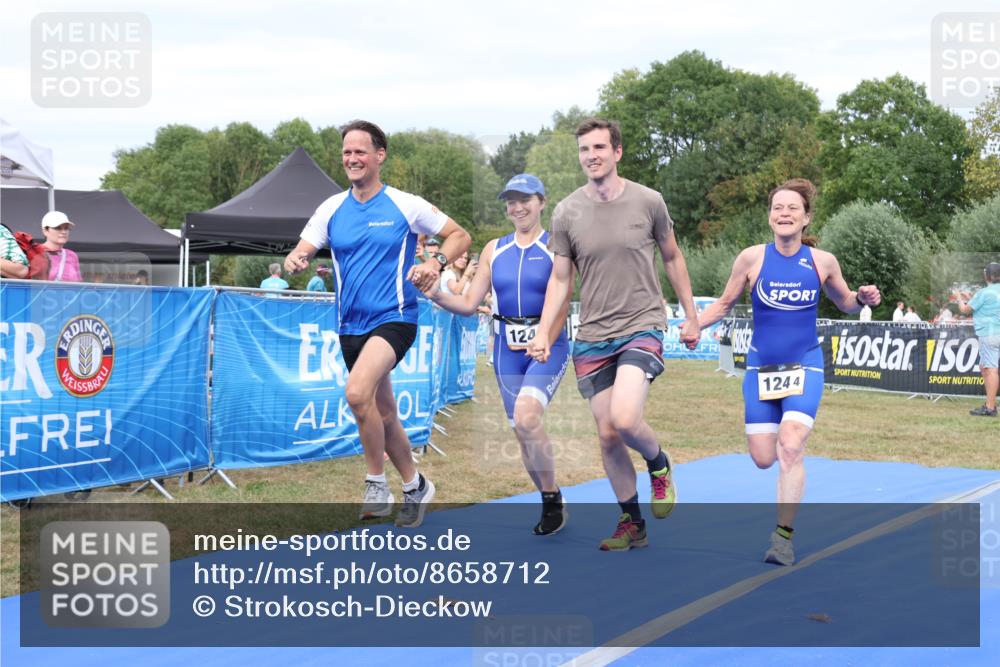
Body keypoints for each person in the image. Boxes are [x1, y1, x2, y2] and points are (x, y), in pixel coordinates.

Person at [284, 119, 471, 528]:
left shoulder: (406, 204)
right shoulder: (331, 208)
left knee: (356, 394)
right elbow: (301, 250)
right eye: (346, 153)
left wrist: (434, 262)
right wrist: (294, 260)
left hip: (395, 317)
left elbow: (460, 235)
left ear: (379, 156)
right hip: (350, 325)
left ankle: (375, 483)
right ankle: (415, 485)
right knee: (383, 413)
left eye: (360, 152)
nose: (352, 159)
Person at [527, 118, 700, 551]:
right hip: (592, 335)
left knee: (625, 418)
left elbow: (673, 257)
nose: (592, 156)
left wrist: (692, 316)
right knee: (607, 434)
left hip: (642, 324)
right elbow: (561, 281)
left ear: (617, 152)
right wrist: (546, 331)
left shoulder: (649, 201)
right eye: (585, 149)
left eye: (600, 147)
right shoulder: (566, 212)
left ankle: (658, 464)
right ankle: (632, 522)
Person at [698, 178, 881, 566]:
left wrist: (861, 299)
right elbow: (726, 302)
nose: (784, 213)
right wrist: (696, 324)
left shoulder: (822, 262)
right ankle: (780, 475)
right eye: (778, 208)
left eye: (792, 208)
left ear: (806, 217)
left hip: (805, 363)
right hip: (762, 366)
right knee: (764, 457)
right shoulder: (751, 259)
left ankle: (782, 538)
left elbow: (845, 301)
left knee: (791, 445)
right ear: (770, 217)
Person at [419, 173, 571, 535]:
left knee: (528, 417)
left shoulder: (558, 246)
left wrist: (544, 337)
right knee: (522, 429)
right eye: (511, 201)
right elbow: (470, 302)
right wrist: (435, 294)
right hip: (505, 350)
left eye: (525, 200)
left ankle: (552, 500)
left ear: (542, 202)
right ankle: (549, 497)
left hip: (547, 347)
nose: (518, 207)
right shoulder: (493, 249)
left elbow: (562, 298)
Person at [956, 262, 1000, 417]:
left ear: (986, 276)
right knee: (985, 368)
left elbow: (964, 310)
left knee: (991, 369)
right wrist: (971, 298)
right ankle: (990, 404)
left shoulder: (984, 293)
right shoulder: (988, 293)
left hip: (989, 334)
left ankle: (990, 407)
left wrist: (959, 299)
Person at [40, 211, 81, 282]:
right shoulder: (34, 252)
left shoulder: (72, 255)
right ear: (45, 231)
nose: (64, 232)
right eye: (58, 228)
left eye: (66, 228)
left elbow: (78, 285)